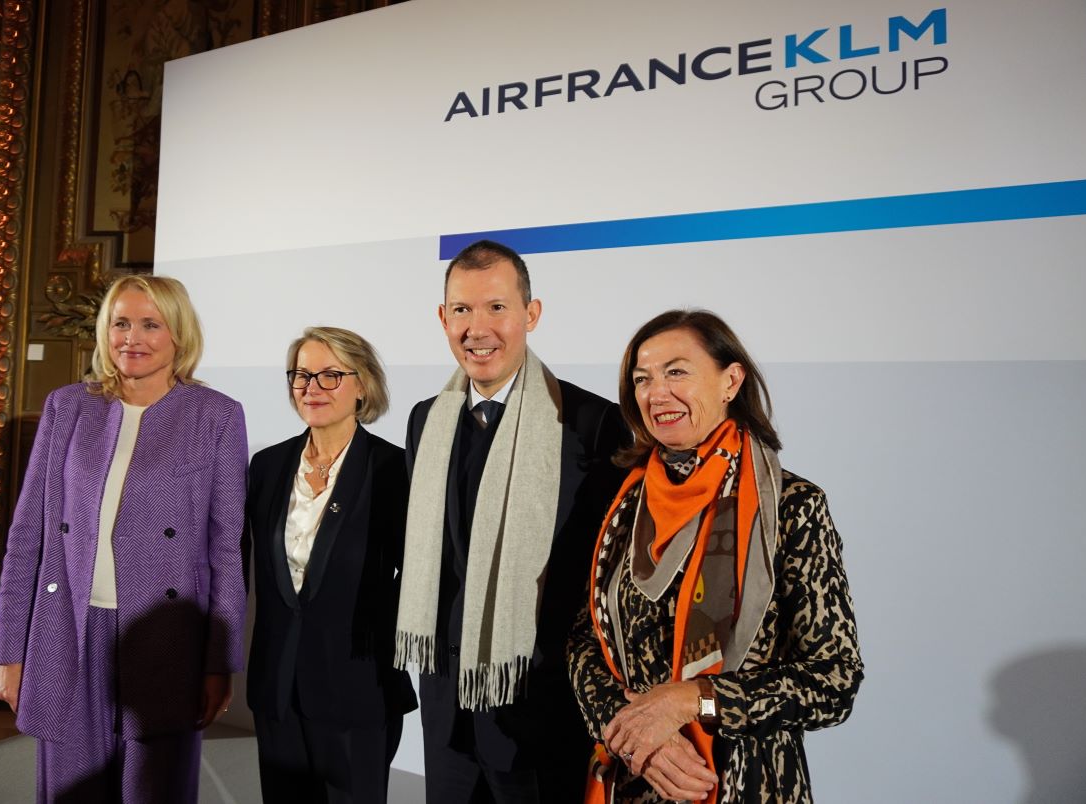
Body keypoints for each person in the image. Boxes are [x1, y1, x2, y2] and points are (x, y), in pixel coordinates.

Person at [567, 309, 863, 804]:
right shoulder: (623, 506)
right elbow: (583, 640)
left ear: (731, 380)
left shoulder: (792, 506)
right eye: (643, 379)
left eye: (676, 371)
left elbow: (834, 679)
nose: (656, 393)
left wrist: (693, 700)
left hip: (743, 785)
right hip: (637, 777)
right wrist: (639, 736)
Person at [0, 274, 248, 802]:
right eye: (120, 323)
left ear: (179, 334)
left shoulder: (216, 415)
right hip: (67, 630)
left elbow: (225, 551)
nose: (132, 337)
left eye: (150, 324)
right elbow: (27, 537)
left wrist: (219, 662)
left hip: (164, 636)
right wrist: (10, 651)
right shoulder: (68, 407)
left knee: (154, 790)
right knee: (70, 792)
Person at [395, 240, 626, 803]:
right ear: (442, 318)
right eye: (462, 310)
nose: (478, 328)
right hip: (446, 705)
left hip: (540, 705)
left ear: (531, 313)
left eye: (497, 307)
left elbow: (606, 580)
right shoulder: (427, 419)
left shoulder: (594, 424)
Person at [245, 326, 416, 802]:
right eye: (301, 375)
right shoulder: (267, 466)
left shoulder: (395, 470)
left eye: (330, 375)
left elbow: (419, 581)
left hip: (360, 691)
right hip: (278, 690)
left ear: (362, 385)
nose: (311, 388)